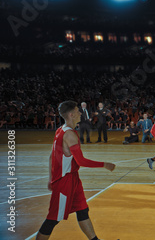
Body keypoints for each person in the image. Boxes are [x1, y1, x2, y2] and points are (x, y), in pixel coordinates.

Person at [36, 101, 115, 240]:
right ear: (72, 114)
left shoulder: (60, 130)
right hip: (64, 182)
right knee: (53, 219)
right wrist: (104, 164)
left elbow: (51, 157)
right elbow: (81, 161)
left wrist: (50, 178)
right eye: (78, 111)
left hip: (73, 180)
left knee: (83, 210)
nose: (80, 113)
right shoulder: (70, 135)